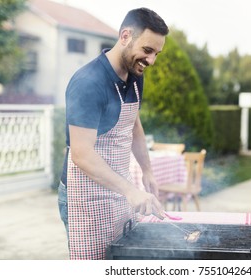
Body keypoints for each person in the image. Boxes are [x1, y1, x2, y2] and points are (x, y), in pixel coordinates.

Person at [57, 7, 169, 260]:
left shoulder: (135, 73)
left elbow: (134, 125)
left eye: (157, 53)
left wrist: (147, 170)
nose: (151, 61)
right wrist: (130, 191)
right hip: (85, 196)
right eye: (148, 50)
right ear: (126, 36)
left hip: (119, 189)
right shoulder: (88, 82)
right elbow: (82, 154)